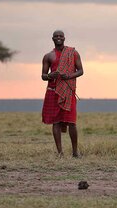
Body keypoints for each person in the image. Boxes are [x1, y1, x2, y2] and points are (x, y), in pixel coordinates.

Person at [41, 30, 83, 158]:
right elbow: (43, 76)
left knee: (72, 122)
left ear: (64, 38)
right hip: (53, 91)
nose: (58, 38)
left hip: (68, 91)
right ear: (52, 39)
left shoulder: (73, 53)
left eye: (61, 36)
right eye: (56, 36)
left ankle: (75, 152)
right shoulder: (48, 56)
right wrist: (50, 75)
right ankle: (60, 153)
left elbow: (81, 71)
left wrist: (69, 75)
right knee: (56, 122)